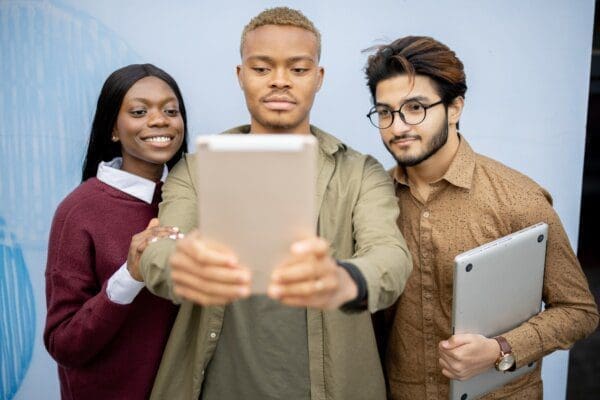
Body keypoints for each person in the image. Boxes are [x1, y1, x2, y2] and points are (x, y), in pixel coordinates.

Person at [139, 7, 412, 400]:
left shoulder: (360, 173)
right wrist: (181, 264)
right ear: (240, 75)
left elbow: (390, 254)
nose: (280, 82)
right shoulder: (196, 171)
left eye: (298, 69)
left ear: (318, 78)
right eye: (262, 68)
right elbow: (161, 246)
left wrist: (345, 279)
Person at [364, 36, 599, 399]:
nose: (397, 127)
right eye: (385, 112)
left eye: (415, 108)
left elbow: (579, 311)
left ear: (455, 107)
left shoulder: (518, 199)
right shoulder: (373, 201)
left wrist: (501, 350)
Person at [44, 63, 189, 400]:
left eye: (171, 110)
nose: (159, 120)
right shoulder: (78, 212)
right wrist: (130, 275)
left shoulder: (191, 204)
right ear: (113, 128)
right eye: (139, 111)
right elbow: (63, 343)